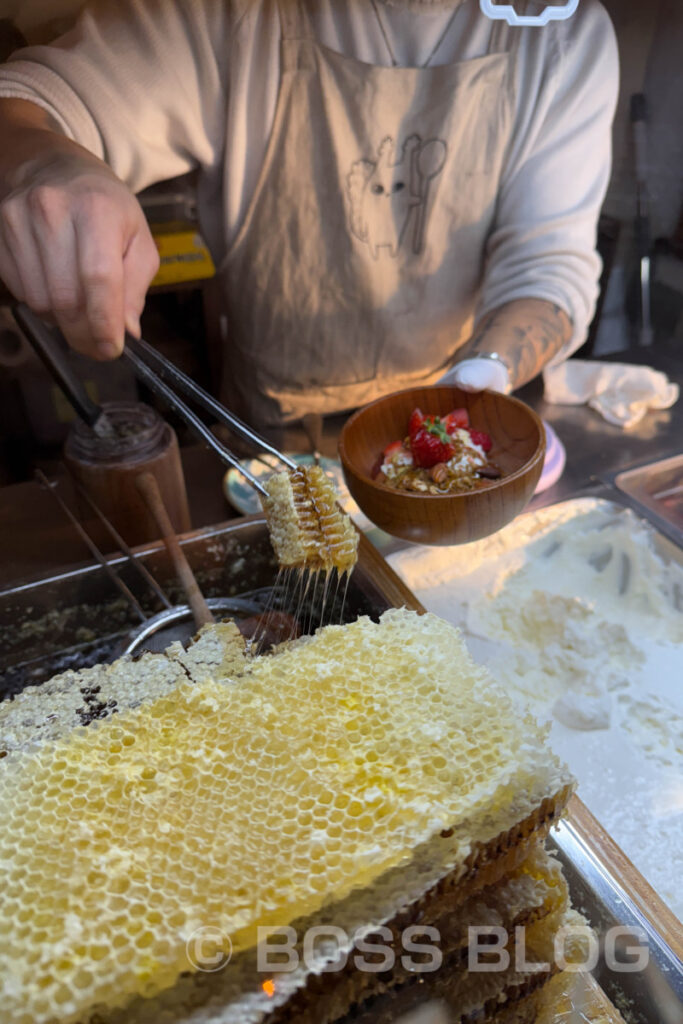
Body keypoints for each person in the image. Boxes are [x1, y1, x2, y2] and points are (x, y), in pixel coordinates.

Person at [0, 0, 618, 433]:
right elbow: (33, 96)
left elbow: (549, 268)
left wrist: (485, 374)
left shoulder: (562, 33)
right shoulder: (230, 15)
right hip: (274, 438)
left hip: (443, 414)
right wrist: (37, 158)